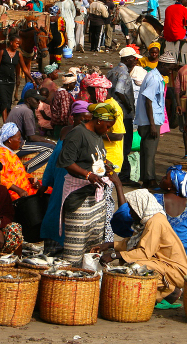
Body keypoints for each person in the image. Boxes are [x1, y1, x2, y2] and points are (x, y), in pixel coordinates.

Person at [92, 189, 187, 308]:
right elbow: (136, 243)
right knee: (128, 261)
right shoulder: (149, 220)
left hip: (175, 270)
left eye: (132, 209)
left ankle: (169, 290)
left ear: (140, 206)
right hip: (162, 264)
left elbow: (144, 252)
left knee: (135, 267)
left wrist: (114, 255)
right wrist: (110, 245)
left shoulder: (155, 222)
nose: (131, 213)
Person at [57, 102, 117, 266]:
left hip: (95, 197)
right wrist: (88, 174)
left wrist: (106, 164)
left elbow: (94, 157)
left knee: (93, 244)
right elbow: (65, 161)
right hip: (79, 196)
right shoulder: (78, 133)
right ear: (98, 121)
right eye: (108, 126)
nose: (109, 130)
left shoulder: (97, 135)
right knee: (76, 246)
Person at [38, 101, 92, 255]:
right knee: (56, 213)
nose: (85, 123)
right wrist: (46, 182)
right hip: (62, 179)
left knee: (74, 215)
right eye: (82, 119)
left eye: (88, 119)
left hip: (79, 182)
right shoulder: (66, 132)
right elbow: (54, 158)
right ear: (72, 118)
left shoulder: (89, 136)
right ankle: (53, 251)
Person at [135, 52, 175, 189]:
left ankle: (147, 178)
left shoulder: (155, 76)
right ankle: (149, 179)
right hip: (149, 121)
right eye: (169, 68)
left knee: (147, 150)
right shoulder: (154, 78)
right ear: (163, 65)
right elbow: (148, 100)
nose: (170, 71)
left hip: (149, 120)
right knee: (149, 151)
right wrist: (152, 125)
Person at [107, 46, 141, 186]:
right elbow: (120, 91)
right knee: (125, 146)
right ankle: (123, 176)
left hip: (112, 112)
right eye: (133, 59)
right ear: (127, 60)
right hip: (123, 114)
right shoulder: (124, 73)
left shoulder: (112, 71)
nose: (135, 62)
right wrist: (128, 106)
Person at [154, 166, 187, 265]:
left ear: (172, 186)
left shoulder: (155, 199)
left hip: (164, 253)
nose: (162, 178)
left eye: (166, 178)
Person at [0, 34, 36, 122]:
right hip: (0, 80)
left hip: (10, 81)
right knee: (3, 100)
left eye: (19, 44)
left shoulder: (19, 55)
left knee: (9, 102)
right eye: (17, 43)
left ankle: (9, 120)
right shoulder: (2, 52)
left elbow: (25, 69)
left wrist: (33, 80)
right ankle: (5, 123)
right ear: (11, 42)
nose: (18, 45)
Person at [7, 89, 56, 173]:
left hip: (9, 142)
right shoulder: (27, 111)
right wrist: (49, 141)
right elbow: (31, 137)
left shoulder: (18, 107)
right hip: (16, 145)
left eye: (39, 100)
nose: (38, 102)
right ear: (28, 100)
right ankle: (26, 166)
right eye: (36, 100)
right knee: (52, 148)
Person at [0, 122, 42, 201]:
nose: (20, 141)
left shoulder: (10, 153)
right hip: (15, 194)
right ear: (10, 140)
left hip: (24, 188)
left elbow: (21, 173)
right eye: (18, 139)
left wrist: (31, 179)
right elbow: (0, 179)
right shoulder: (1, 155)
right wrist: (19, 190)